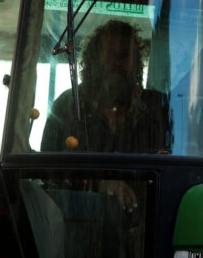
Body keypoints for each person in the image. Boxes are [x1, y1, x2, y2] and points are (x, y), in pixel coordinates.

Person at [41, 20, 170, 156]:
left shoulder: (157, 107)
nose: (117, 61)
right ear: (93, 59)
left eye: (124, 54)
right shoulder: (68, 104)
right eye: (110, 53)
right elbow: (46, 166)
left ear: (136, 61)